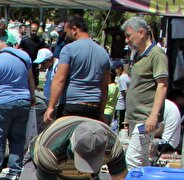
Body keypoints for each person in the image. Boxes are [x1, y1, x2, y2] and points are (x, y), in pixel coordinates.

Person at [0, 39, 34, 180]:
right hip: (24, 101)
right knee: (18, 137)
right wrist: (32, 96)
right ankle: (15, 170)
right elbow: (31, 78)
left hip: (3, 103)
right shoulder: (24, 56)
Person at [44, 15, 111, 125]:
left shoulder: (68, 49)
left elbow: (60, 79)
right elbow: (104, 86)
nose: (64, 36)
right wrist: (101, 111)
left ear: (74, 30)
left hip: (71, 106)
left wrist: (50, 107)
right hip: (94, 107)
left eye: (66, 32)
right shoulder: (103, 53)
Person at [122, 16, 168, 168]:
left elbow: (162, 85)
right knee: (142, 160)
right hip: (137, 119)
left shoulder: (157, 54)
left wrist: (153, 116)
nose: (126, 40)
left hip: (145, 119)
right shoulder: (138, 56)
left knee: (132, 160)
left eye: (129, 36)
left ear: (141, 33)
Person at [112, 61, 129, 129]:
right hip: (122, 105)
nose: (115, 71)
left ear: (120, 68)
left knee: (118, 126)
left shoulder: (122, 78)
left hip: (120, 105)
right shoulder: (126, 76)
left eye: (115, 69)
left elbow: (125, 92)